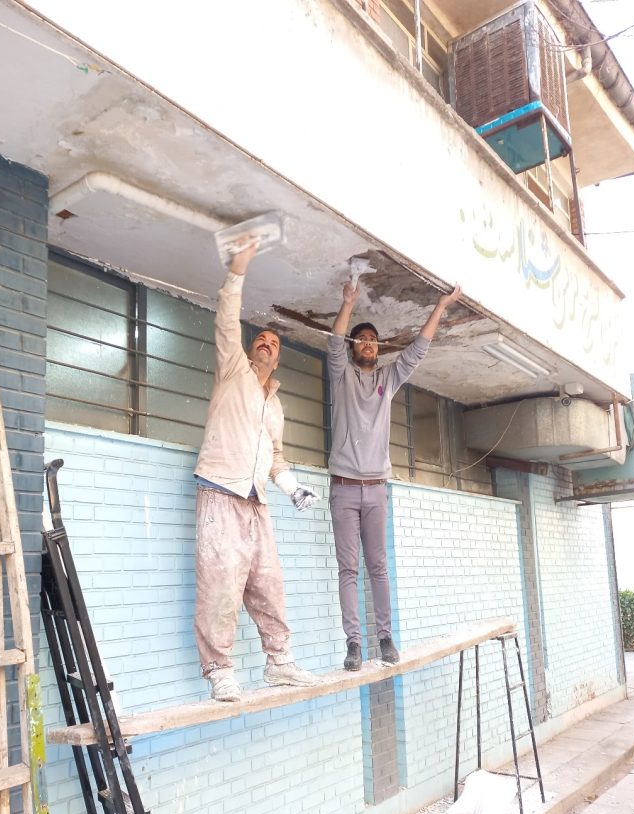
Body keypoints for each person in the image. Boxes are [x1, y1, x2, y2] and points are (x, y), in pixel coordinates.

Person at [193, 240, 320, 702]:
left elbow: (276, 457)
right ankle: (218, 670)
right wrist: (238, 270)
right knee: (221, 584)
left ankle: (279, 663)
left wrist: (292, 488)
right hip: (220, 490)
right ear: (250, 349)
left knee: (269, 584)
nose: (267, 342)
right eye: (261, 339)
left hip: (256, 502)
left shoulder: (276, 405)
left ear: (278, 358)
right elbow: (226, 321)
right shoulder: (233, 370)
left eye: (275, 342)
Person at [327, 278, 461, 671]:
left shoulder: (388, 379)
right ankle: (354, 644)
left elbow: (418, 349)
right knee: (348, 569)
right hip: (344, 489)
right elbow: (333, 343)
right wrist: (348, 302)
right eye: (361, 339)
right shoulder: (341, 375)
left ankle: (385, 637)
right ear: (353, 347)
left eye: (373, 340)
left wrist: (441, 306)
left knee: (378, 567)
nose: (368, 344)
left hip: (376, 490)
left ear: (379, 348)